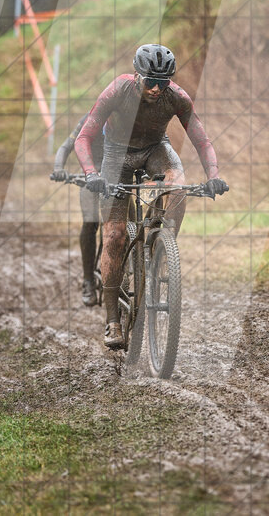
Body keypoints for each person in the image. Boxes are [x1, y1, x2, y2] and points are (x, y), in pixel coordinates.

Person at [75, 44, 229, 350]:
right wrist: (92, 174)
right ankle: (112, 320)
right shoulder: (117, 90)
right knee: (114, 235)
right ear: (137, 76)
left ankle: (162, 245)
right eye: (151, 82)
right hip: (117, 156)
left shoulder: (177, 97)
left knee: (178, 185)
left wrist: (213, 176)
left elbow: (202, 140)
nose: (157, 89)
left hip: (156, 149)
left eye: (163, 82)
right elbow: (84, 138)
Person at [50, 112, 105, 307]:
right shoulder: (91, 119)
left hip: (118, 178)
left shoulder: (127, 117)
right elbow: (66, 146)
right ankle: (88, 280)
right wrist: (59, 168)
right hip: (91, 179)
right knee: (90, 222)